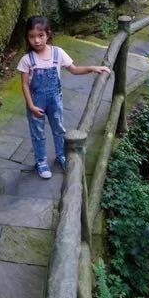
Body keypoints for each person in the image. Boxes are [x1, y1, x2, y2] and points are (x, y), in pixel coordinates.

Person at [16, 16, 111, 179]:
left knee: (59, 129)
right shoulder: (27, 60)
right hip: (35, 102)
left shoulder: (57, 53)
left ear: (48, 35)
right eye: (32, 37)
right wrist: (31, 105)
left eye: (41, 36)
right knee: (37, 132)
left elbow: (73, 69)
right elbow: (25, 84)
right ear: (27, 37)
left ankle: (62, 156)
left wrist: (92, 68)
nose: (37, 40)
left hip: (55, 101)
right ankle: (41, 161)